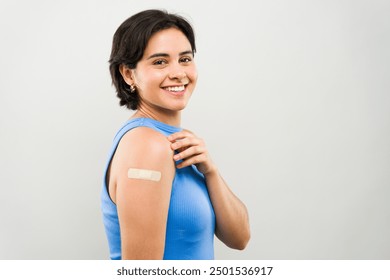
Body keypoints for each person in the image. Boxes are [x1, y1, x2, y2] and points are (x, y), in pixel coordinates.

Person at [101, 9, 250, 260]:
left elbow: (240, 237)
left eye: (185, 59)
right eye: (160, 62)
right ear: (128, 74)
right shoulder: (147, 146)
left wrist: (210, 171)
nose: (178, 73)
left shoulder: (176, 141)